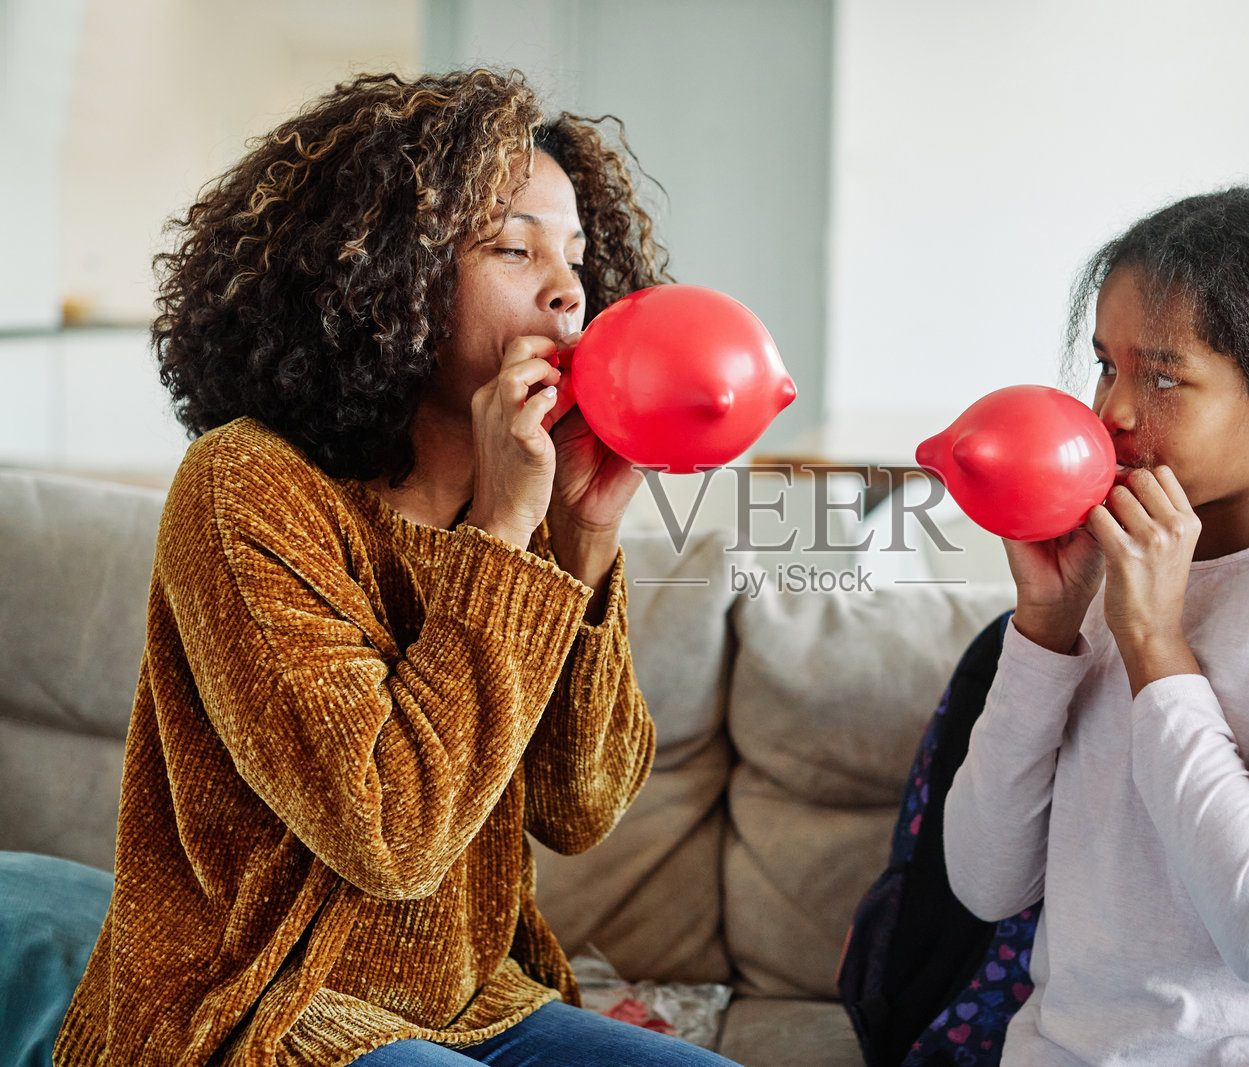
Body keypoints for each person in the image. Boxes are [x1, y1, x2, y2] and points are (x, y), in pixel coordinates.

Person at [54, 69, 739, 1067]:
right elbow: (390, 835)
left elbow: (580, 806)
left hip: (478, 1004)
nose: (568, 290)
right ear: (387, 278)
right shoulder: (247, 486)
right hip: (263, 1013)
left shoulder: (528, 504)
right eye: (514, 247)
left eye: (577, 256)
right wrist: (503, 533)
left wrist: (583, 539)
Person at [943, 188, 1249, 1066]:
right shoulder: (1097, 569)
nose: (1113, 411)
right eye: (1107, 365)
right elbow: (984, 884)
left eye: (1164, 377)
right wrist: (1046, 628)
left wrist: (1155, 643)